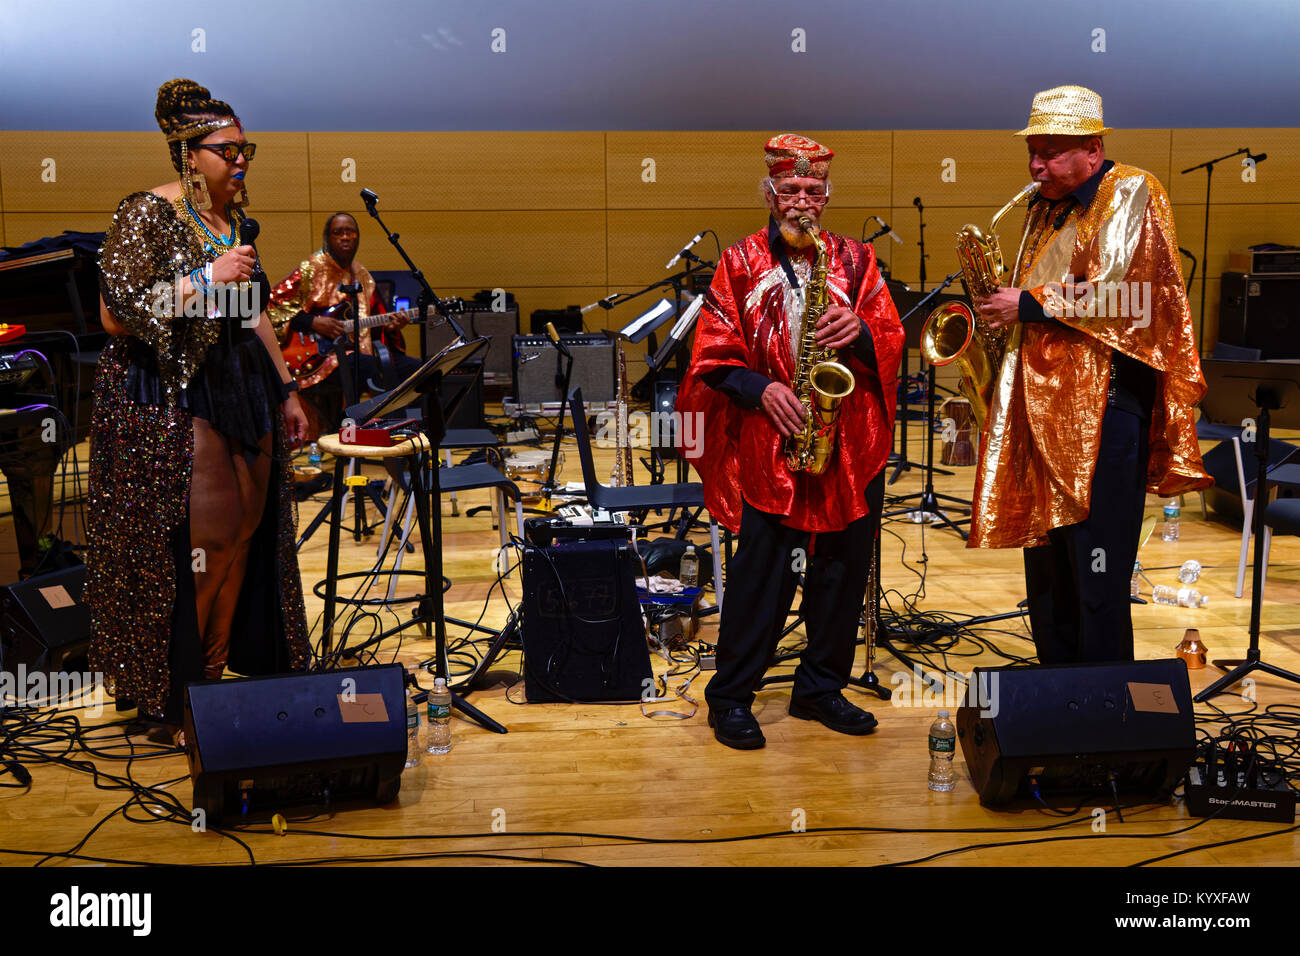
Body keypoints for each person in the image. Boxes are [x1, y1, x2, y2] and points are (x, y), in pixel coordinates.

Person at [90, 78, 311, 738]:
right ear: (189, 154)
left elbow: (254, 314)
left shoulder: (232, 223)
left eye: (247, 149)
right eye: (229, 150)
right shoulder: (147, 213)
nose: (241, 161)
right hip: (179, 395)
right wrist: (204, 280)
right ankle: (177, 694)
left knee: (244, 539)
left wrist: (289, 388)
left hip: (245, 388)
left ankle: (211, 687)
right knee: (205, 548)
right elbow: (117, 312)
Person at [968, 85, 1211, 664]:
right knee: (1048, 565)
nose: (1036, 164)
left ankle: (1106, 709)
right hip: (1041, 407)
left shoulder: (1132, 190)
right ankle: (1059, 691)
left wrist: (1025, 304)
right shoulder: (1042, 207)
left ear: (1093, 149)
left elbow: (1131, 296)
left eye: (1050, 151)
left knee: (1096, 566)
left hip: (1106, 407)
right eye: (1033, 150)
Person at [678, 134, 904, 750]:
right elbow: (712, 357)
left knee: (842, 567)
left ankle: (820, 687)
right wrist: (760, 389)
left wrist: (861, 331)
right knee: (763, 571)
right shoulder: (740, 261)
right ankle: (730, 697)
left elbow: (890, 337)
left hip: (846, 439)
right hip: (771, 437)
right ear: (771, 194)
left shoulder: (857, 261)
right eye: (790, 190)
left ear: (826, 198)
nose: (801, 201)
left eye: (813, 191)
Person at [266, 213, 419, 434]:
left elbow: (373, 328)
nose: (345, 237)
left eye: (350, 232)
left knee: (416, 369)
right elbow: (272, 305)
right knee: (369, 365)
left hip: (356, 352)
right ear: (327, 238)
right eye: (338, 232)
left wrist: (391, 328)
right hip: (319, 356)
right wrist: (313, 322)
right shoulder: (312, 268)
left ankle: (414, 433)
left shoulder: (363, 277)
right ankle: (382, 432)